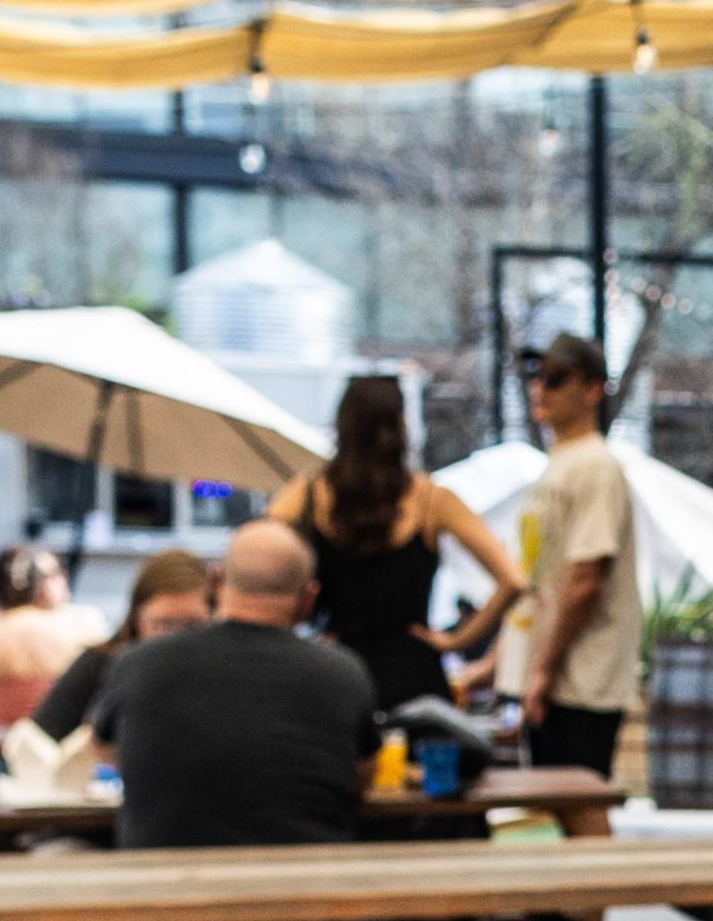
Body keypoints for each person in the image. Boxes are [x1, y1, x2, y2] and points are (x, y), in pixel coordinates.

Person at [84, 522, 392, 921]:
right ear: (309, 598)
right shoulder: (344, 673)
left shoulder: (139, 663)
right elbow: (360, 782)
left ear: (214, 581)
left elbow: (105, 754)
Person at [269, 373, 524, 717]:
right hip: (414, 677)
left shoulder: (308, 494)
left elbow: (257, 564)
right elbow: (514, 581)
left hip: (337, 675)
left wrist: (298, 637)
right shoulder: (432, 499)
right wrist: (455, 641)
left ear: (343, 426)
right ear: (401, 426)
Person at [515, 331, 639, 777]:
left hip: (581, 681)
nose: (538, 387)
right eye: (535, 376)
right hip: (553, 676)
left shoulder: (596, 466)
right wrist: (497, 665)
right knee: (549, 814)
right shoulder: (559, 463)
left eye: (554, 378)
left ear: (591, 390)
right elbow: (536, 580)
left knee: (578, 807)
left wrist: (544, 670)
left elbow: (586, 580)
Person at [29, 547, 214, 745]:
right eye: (164, 625)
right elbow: (38, 741)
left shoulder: (221, 673)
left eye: (193, 626)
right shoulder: (100, 664)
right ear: (136, 619)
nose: (176, 639)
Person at [0, 542, 102, 725]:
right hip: (57, 745)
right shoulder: (81, 626)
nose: (63, 579)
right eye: (55, 573)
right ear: (41, 586)